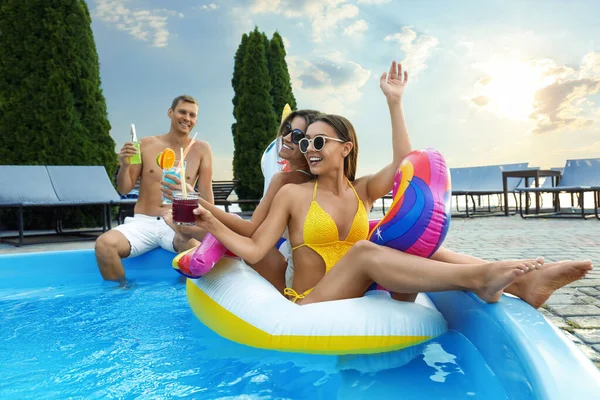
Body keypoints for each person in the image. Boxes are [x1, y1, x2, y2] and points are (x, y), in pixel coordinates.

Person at [185, 61, 593, 306]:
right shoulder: (292, 192)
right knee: (364, 250)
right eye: (306, 142)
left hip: (363, 290)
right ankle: (480, 279)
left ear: (346, 149)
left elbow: (403, 164)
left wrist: (394, 103)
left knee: (413, 244)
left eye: (319, 141)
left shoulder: (361, 190)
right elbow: (257, 247)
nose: (308, 148)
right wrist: (211, 221)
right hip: (312, 300)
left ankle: (526, 283)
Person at [163, 109, 322, 292]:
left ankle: (190, 240)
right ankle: (189, 236)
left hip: (290, 280)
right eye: (286, 129)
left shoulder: (284, 179)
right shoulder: (312, 179)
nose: (286, 137)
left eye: (296, 136)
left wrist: (196, 200)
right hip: (302, 272)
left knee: (236, 225)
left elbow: (251, 230)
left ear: (307, 144)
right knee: (236, 226)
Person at [95, 95, 214, 283]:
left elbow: (207, 193)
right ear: (170, 113)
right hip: (143, 222)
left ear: (196, 120)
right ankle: (121, 295)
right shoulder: (146, 144)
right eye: (182, 112)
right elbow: (125, 188)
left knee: (193, 248)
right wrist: (124, 165)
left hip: (177, 223)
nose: (187, 118)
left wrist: (207, 221)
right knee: (104, 245)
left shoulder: (202, 149)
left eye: (192, 115)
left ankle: (181, 299)